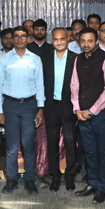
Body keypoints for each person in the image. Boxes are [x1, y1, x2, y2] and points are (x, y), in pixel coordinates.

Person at [0, 26, 45, 195]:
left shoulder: (35, 59)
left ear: (28, 39)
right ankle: (12, 179)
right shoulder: (4, 59)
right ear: (12, 39)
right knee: (11, 146)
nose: (20, 39)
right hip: (10, 106)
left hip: (30, 106)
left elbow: (40, 85)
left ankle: (30, 179)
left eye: (23, 36)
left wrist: (41, 108)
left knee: (29, 145)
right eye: (16, 36)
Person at [71, 28, 105, 204]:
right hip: (82, 115)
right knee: (88, 151)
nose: (86, 44)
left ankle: (102, 187)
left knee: (101, 151)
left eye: (90, 41)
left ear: (96, 41)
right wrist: (77, 109)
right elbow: (74, 85)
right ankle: (92, 183)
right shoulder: (78, 59)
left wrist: (92, 111)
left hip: (101, 115)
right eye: (83, 41)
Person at [43, 27, 79, 191]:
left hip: (69, 107)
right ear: (52, 41)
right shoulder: (44, 58)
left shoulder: (75, 59)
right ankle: (55, 176)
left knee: (70, 143)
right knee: (52, 143)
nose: (59, 42)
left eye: (62, 39)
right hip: (51, 107)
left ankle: (70, 176)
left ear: (68, 39)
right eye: (56, 39)